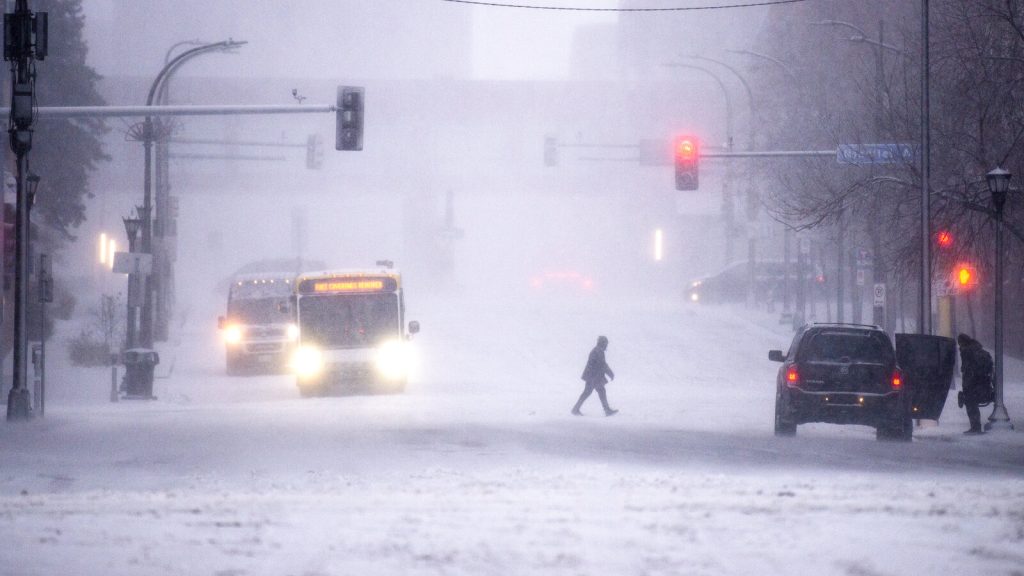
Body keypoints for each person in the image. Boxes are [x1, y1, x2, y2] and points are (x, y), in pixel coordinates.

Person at [957, 333, 994, 435]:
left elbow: (967, 370)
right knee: (972, 404)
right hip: (984, 385)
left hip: (972, 385)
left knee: (971, 405)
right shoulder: (981, 351)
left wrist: (966, 387)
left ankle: (975, 427)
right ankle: (976, 427)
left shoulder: (966, 351)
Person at [572, 335, 618, 417]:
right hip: (593, 377)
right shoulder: (598, 351)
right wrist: (610, 373)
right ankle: (606, 410)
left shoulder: (597, 350)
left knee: (596, 392)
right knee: (591, 392)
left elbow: (601, 365)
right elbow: (602, 364)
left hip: (593, 376)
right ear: (602, 343)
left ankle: (576, 409)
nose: (606, 345)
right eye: (606, 343)